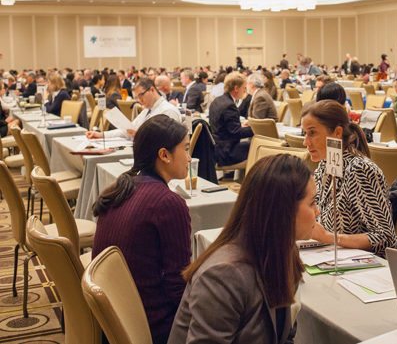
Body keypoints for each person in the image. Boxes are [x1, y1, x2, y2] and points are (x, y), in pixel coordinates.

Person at [168, 155, 316, 344]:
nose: (317, 211)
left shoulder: (283, 254)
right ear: (283, 211)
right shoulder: (223, 275)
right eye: (312, 203)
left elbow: (285, 334)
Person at [92, 115, 192, 344]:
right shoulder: (168, 203)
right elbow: (177, 286)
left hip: (114, 318)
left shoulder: (121, 186)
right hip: (152, 324)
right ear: (164, 155)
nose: (188, 158)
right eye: (185, 150)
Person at [301, 100, 397, 256]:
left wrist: (330, 238)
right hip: (330, 256)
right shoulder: (324, 166)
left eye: (312, 133)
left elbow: (385, 237)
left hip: (371, 268)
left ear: (337, 133)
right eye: (304, 133)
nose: (305, 142)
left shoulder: (360, 170)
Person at [86, 78, 181, 140]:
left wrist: (140, 137)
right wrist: (101, 135)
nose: (139, 100)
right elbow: (127, 131)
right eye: (137, 97)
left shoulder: (168, 111)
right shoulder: (147, 110)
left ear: (152, 90)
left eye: (141, 95)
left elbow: (166, 143)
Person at [208, 72, 254, 166]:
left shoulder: (217, 100)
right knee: (258, 146)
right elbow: (236, 132)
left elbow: (226, 127)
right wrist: (255, 129)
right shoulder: (229, 105)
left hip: (216, 148)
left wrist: (242, 127)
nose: (245, 91)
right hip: (226, 153)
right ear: (236, 88)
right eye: (244, 88)